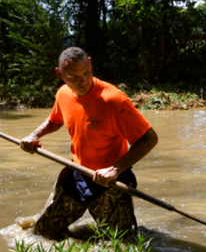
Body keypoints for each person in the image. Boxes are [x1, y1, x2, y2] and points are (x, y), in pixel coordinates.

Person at [19, 47, 158, 240]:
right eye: (73, 77)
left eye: (86, 73)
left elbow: (149, 138)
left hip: (111, 182)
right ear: (60, 74)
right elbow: (55, 120)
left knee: (122, 243)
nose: (83, 81)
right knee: (43, 232)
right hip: (77, 173)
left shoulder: (113, 100)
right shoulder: (63, 94)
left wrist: (115, 170)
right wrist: (34, 135)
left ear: (91, 64)